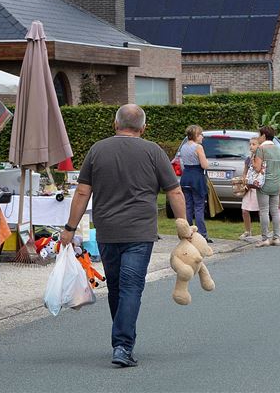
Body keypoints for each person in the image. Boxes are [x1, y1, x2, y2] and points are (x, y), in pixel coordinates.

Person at [60, 104, 186, 368]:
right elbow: (174, 191)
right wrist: (183, 225)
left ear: (115, 124)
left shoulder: (97, 150)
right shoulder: (153, 151)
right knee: (131, 287)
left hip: (107, 231)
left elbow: (83, 193)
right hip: (140, 232)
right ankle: (123, 345)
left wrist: (70, 229)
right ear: (143, 127)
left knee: (117, 287)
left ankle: (121, 342)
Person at [180, 125, 212, 242]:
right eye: (200, 134)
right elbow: (204, 165)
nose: (202, 137)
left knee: (188, 206)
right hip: (197, 177)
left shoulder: (183, 147)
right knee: (199, 206)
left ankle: (188, 232)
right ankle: (202, 234)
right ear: (195, 135)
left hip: (186, 177)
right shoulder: (198, 147)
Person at [253, 126, 280, 247]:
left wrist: (253, 161)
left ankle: (265, 238)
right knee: (275, 211)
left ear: (264, 136)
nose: (258, 138)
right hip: (276, 183)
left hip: (264, 184)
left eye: (259, 135)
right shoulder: (278, 149)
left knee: (264, 211)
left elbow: (257, 167)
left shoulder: (261, 149)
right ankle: (276, 237)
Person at [239, 137, 260, 240]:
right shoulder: (248, 159)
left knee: (261, 210)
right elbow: (245, 172)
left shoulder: (260, 158)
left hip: (257, 187)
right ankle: (248, 230)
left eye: (254, 144)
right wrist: (243, 180)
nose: (251, 146)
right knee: (244, 210)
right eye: (250, 144)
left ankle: (264, 231)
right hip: (248, 188)